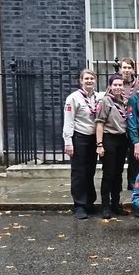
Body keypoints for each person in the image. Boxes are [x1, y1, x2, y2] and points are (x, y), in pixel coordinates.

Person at [62, 68, 100, 219]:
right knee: (79, 172)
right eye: (86, 78)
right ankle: (79, 205)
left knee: (90, 171)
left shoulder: (98, 97)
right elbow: (69, 121)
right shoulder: (73, 98)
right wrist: (68, 141)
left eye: (91, 78)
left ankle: (89, 202)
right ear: (81, 81)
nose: (89, 81)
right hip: (79, 138)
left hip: (93, 139)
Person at [94, 74, 133, 217]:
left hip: (122, 139)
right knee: (108, 173)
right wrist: (99, 144)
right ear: (110, 86)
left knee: (118, 174)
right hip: (109, 138)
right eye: (115, 85)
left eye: (120, 85)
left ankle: (116, 203)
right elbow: (99, 122)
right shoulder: (105, 101)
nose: (117, 87)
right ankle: (105, 206)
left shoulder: (125, 102)